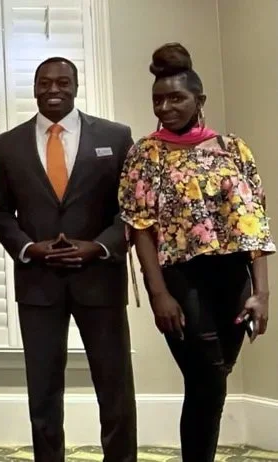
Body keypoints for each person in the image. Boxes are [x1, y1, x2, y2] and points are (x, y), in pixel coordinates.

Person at [120, 43, 273, 462]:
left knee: (212, 381)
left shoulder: (233, 148)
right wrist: (158, 294)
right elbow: (140, 228)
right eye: (158, 100)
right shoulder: (145, 154)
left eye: (176, 98)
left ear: (199, 100)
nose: (165, 107)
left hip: (233, 280)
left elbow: (254, 221)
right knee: (207, 378)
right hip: (181, 280)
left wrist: (262, 293)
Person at [0, 57, 137, 462]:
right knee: (43, 390)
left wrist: (99, 246)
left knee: (115, 386)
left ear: (75, 85)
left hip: (99, 279)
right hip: (38, 282)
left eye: (63, 82)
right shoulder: (7, 144)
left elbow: (130, 209)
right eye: (45, 82)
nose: (54, 89)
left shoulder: (116, 136)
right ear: (35, 87)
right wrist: (27, 248)